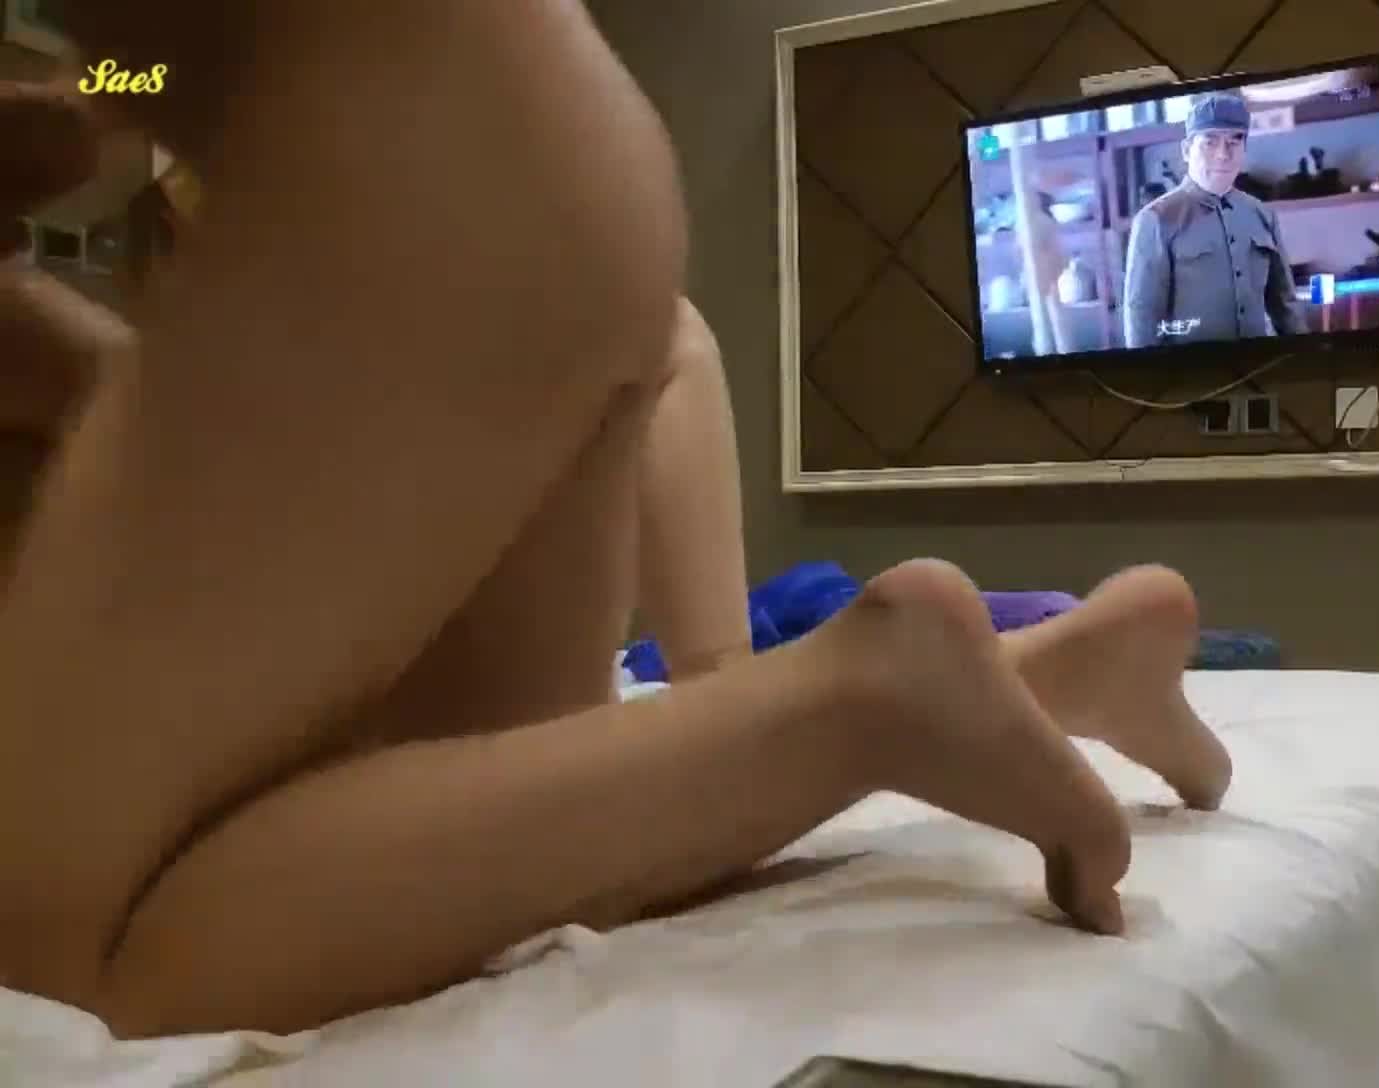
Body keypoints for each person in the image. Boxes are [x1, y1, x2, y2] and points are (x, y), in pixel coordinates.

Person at [0, 2, 1232, 1040]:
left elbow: (154, 70)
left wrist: (89, 102)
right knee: (500, 832)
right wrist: (94, 103)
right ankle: (1041, 675)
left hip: (379, 135)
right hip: (520, 114)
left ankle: (866, 696)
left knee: (57, 958)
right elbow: (152, 75)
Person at [1122, 92, 1305, 349]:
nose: (1223, 154)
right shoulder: (1156, 219)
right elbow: (1142, 318)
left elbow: (1285, 306)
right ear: (1187, 150)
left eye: (1234, 142)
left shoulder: (1261, 214)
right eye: (1210, 142)